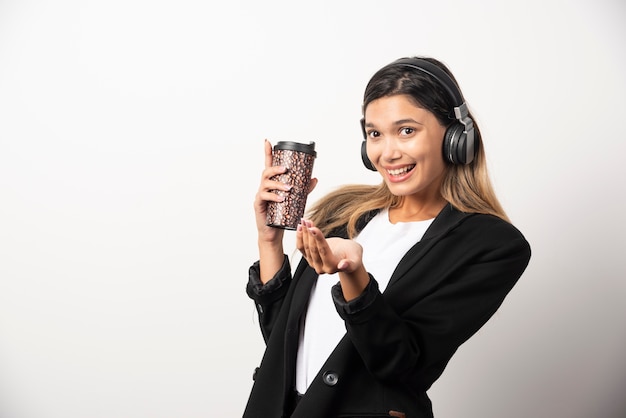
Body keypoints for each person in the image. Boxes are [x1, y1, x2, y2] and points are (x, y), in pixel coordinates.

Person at [243, 56, 531, 418]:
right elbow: (283, 342)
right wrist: (269, 241)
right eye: (375, 134)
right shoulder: (342, 212)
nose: (388, 153)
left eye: (406, 130)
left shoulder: (492, 247)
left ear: (457, 137)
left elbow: (401, 364)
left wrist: (352, 272)